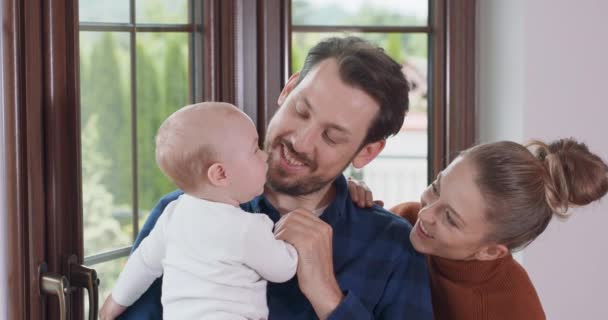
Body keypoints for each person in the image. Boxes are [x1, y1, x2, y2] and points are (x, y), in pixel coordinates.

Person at [118, 36, 433, 319]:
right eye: (302, 111)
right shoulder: (182, 212)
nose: (301, 142)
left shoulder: (391, 247)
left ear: (367, 152)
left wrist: (328, 295)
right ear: (288, 88)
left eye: (332, 137)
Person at [349, 138, 608, 320]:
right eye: (437, 187)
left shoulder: (511, 309)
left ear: (491, 252)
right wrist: (346, 203)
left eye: (451, 219)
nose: (426, 213)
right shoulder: (408, 219)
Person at [99, 102, 299, 319]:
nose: (265, 155)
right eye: (254, 150)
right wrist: (294, 240)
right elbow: (283, 269)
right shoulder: (248, 228)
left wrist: (114, 302)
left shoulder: (172, 215)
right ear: (220, 174)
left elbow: (143, 264)